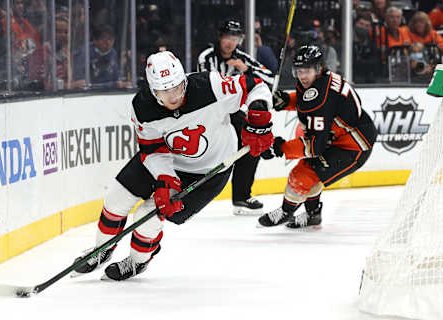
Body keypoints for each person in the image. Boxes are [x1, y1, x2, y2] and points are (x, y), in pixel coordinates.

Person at [72, 51, 273, 280]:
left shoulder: (210, 85)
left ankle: (138, 261)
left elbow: (257, 85)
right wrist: (166, 179)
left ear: (184, 80)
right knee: (116, 198)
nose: (173, 96)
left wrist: (260, 115)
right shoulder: (143, 106)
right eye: (164, 91)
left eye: (177, 87)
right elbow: (152, 148)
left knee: (147, 215)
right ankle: (101, 249)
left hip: (207, 172)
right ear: (152, 89)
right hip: (166, 160)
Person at [258, 45, 377, 229]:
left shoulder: (319, 97)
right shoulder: (322, 81)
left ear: (318, 68)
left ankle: (285, 211)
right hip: (346, 135)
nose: (302, 76)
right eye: (299, 71)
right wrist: (287, 101)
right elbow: (312, 99)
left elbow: (315, 146)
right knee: (312, 170)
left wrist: (280, 148)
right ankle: (313, 215)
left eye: (307, 71)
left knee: (304, 173)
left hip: (353, 147)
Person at [197, 20, 274, 215]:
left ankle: (241, 197)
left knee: (252, 143)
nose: (230, 42)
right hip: (211, 113)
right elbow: (206, 87)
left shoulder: (243, 58)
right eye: (227, 37)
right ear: (219, 37)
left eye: (235, 38)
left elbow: (270, 79)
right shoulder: (207, 58)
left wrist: (246, 70)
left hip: (236, 114)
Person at [73, 24, 119, 89]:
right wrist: (114, 85)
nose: (108, 42)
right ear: (95, 40)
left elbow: (115, 78)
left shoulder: (113, 53)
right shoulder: (84, 53)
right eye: (104, 39)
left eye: (110, 39)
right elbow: (83, 84)